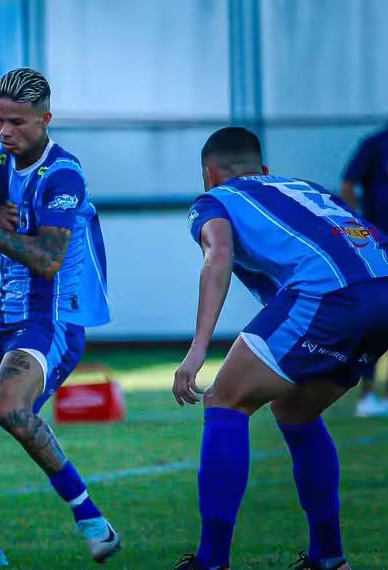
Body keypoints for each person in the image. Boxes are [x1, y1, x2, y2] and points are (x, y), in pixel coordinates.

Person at [172, 126, 388, 570]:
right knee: (297, 412)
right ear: (264, 170)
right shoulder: (306, 188)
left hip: (329, 294)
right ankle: (328, 557)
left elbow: (218, 256)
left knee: (225, 400)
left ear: (208, 174)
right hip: (382, 287)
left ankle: (211, 562)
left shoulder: (213, 200)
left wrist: (197, 350)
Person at [0, 67, 120, 566]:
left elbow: (47, 260)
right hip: (6, 324)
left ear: (45, 120)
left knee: (9, 405)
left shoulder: (63, 174)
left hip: (52, 321)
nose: (5, 132)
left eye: (17, 122)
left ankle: (92, 520)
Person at [340, 126, 388, 417]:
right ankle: (368, 395)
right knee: (375, 322)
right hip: (380, 246)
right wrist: (357, 228)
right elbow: (348, 183)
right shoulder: (374, 144)